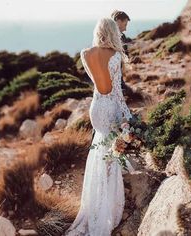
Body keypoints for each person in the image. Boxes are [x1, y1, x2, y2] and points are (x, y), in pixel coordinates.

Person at [64, 18, 133, 236]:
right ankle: (106, 207)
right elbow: (118, 94)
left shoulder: (85, 54)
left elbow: (95, 83)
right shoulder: (116, 56)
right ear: (113, 32)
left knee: (98, 151)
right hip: (110, 107)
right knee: (110, 157)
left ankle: (93, 204)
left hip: (96, 108)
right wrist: (128, 119)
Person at [111, 10, 133, 97]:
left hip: (119, 72)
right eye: (125, 25)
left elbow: (126, 54)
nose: (126, 28)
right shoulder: (108, 38)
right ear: (119, 22)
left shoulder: (123, 36)